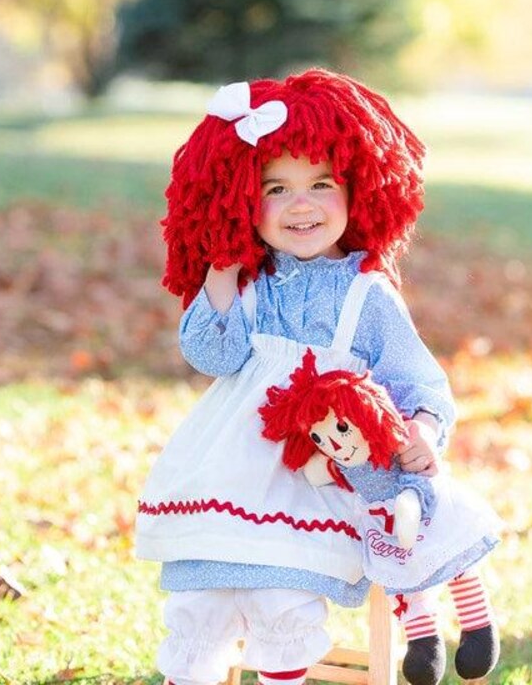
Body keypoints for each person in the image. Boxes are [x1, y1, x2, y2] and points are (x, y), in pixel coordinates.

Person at [136, 70, 459, 685]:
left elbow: (420, 382)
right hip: (229, 467)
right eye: (276, 188)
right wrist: (221, 277)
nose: (301, 204)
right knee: (203, 604)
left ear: (356, 191)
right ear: (242, 200)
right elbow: (212, 355)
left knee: (280, 602)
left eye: (321, 184)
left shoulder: (366, 295)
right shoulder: (250, 282)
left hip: (314, 480)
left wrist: (422, 428)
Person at [260, 348, 501, 682]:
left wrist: (408, 505)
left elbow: (412, 479)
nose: (336, 444)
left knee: (457, 566)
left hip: (421, 509)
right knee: (405, 585)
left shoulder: (392, 446)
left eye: (341, 429)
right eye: (320, 438)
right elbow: (325, 471)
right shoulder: (346, 462)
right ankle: (423, 643)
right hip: (384, 526)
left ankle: (479, 629)